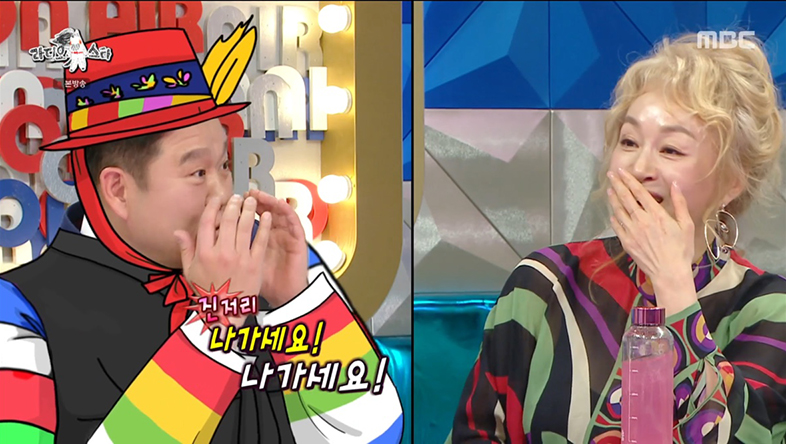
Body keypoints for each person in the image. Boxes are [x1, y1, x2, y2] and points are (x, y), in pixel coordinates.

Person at [0, 23, 403, 444]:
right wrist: (218, 324)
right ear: (118, 190)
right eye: (197, 172)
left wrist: (297, 303)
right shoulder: (18, 308)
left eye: (224, 166)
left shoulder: (269, 261)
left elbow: (376, 436)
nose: (224, 193)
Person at [447, 32, 786, 443]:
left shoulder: (768, 308)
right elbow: (475, 433)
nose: (640, 168)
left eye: (671, 150)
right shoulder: (545, 282)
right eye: (629, 141)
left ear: (732, 182)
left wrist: (674, 286)